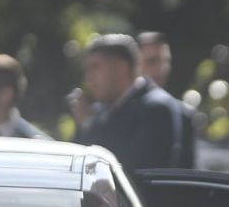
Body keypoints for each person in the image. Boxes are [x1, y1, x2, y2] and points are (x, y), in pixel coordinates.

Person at [75, 34, 184, 171]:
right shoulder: (100, 110)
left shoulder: (156, 109)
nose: (88, 78)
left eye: (95, 67)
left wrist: (89, 125)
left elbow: (125, 170)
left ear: (122, 68)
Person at [136, 30, 199, 169]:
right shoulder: (112, 111)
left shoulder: (185, 115)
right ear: (134, 64)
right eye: (151, 61)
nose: (161, 68)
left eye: (166, 61)